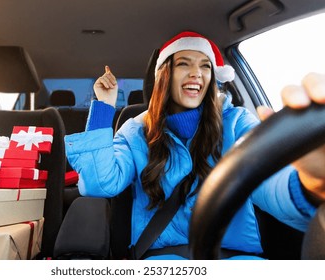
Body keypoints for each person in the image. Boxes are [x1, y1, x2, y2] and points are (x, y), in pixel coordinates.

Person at [65, 31, 325, 259]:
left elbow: (268, 182)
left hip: (235, 259)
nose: (196, 73)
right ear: (165, 74)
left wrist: (308, 185)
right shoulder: (135, 131)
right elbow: (99, 184)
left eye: (205, 66)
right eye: (183, 64)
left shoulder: (237, 122)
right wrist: (103, 107)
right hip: (162, 259)